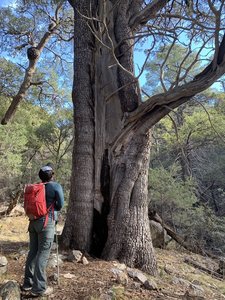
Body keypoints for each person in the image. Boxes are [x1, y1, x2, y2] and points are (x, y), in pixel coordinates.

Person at [22, 164, 64, 297]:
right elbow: (60, 204)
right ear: (52, 175)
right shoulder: (55, 186)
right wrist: (53, 207)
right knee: (43, 254)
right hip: (46, 223)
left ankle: (28, 284)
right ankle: (39, 288)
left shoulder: (36, 187)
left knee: (33, 252)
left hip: (33, 222)